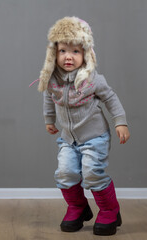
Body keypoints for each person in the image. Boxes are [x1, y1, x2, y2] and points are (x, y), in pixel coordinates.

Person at [36, 16, 130, 236]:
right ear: (54, 53)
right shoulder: (52, 80)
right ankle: (78, 207)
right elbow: (48, 99)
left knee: (91, 173)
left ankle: (110, 210)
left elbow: (111, 99)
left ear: (86, 54)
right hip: (69, 139)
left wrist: (121, 122)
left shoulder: (93, 80)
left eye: (76, 51)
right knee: (65, 173)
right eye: (63, 51)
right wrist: (49, 120)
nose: (69, 56)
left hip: (94, 137)